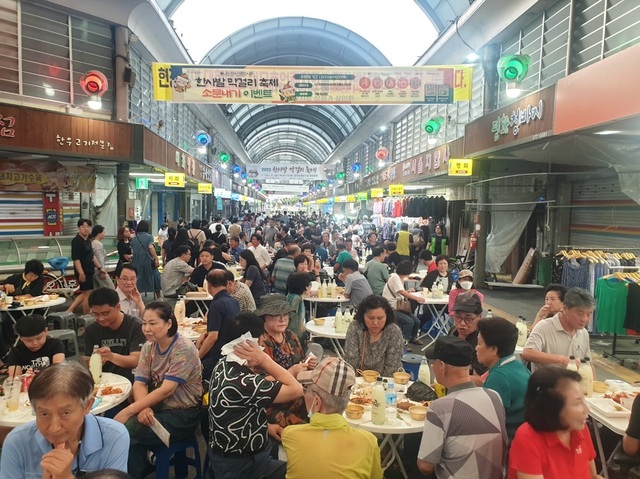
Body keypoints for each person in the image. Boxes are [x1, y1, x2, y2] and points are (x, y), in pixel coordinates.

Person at [208, 313, 303, 479]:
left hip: (228, 455)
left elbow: (239, 409)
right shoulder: (244, 381)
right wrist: (264, 360)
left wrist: (265, 427)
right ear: (252, 344)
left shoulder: (223, 365)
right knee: (301, 471)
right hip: (243, 465)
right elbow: (296, 389)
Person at [114, 302, 202, 478]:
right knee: (126, 430)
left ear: (168, 323)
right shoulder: (149, 346)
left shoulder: (182, 348)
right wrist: (142, 407)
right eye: (144, 323)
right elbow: (140, 382)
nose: (146, 329)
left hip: (184, 414)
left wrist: (130, 410)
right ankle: (136, 470)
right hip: (157, 409)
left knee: (126, 429)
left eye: (152, 323)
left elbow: (166, 390)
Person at [0, 362, 129, 478]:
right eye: (44, 414)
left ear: (87, 406)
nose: (54, 428)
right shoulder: (17, 443)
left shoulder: (113, 437)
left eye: (65, 413)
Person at [418, 336, 506, 479]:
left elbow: (425, 466)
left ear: (442, 366)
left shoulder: (441, 408)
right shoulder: (494, 396)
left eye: (433, 363)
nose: (432, 367)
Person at [282, 357, 383, 479]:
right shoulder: (368, 442)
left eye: (306, 390)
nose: (304, 394)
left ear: (317, 402)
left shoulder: (290, 435)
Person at [508, 367, 602, 479]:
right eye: (577, 403)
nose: (586, 409)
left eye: (584, 400)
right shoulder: (528, 438)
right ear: (553, 409)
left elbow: (593, 476)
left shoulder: (579, 428)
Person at [256, 295, 316, 446]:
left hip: (297, 396)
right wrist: (291, 372)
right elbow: (259, 383)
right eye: (276, 316)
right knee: (309, 433)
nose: (282, 319)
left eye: (285, 315)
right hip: (272, 405)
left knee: (325, 416)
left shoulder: (290, 336)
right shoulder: (260, 343)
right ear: (265, 317)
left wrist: (307, 364)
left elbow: (299, 363)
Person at [476, 317, 531, 442]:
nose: (476, 348)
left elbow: (487, 422)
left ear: (494, 349)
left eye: (479, 343)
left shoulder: (499, 376)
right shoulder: (519, 366)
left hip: (509, 445)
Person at [522, 287, 594, 372]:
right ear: (564, 308)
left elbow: (588, 364)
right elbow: (527, 353)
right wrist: (561, 360)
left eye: (588, 314)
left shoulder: (583, 333)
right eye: (580, 314)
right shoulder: (544, 327)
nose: (584, 319)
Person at [85, 288, 146, 382]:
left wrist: (111, 356)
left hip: (132, 379)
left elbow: (135, 361)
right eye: (95, 314)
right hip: (104, 379)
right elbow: (88, 362)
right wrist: (96, 361)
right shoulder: (92, 330)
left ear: (118, 307)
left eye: (105, 313)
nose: (100, 318)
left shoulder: (136, 326)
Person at [344, 295, 404, 377]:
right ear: (363, 316)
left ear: (387, 316)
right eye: (370, 318)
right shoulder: (355, 327)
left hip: (386, 382)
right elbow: (351, 362)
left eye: (380, 318)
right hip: (359, 381)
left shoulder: (393, 331)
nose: (375, 323)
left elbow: (392, 367)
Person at [197, 269, 241, 380]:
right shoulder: (234, 302)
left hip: (218, 358)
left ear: (209, 284)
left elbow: (213, 337)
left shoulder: (216, 305)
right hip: (232, 354)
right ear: (227, 283)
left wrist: (197, 359)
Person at [449, 290, 489, 383]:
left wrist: (450, 376)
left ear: (480, 317)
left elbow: (479, 380)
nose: (462, 324)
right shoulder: (453, 331)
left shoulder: (483, 342)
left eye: (468, 319)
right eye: (458, 317)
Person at [382, 260, 424, 345]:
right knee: (409, 321)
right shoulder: (395, 277)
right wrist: (416, 298)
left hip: (398, 306)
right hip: (391, 308)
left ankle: (412, 337)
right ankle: (404, 341)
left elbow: (398, 291)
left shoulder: (398, 277)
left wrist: (407, 291)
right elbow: (401, 291)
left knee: (416, 321)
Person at [68, 218, 104, 314]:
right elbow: (76, 259)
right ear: (78, 228)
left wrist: (100, 268)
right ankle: (86, 316)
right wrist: (81, 273)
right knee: (88, 294)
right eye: (83, 227)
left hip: (90, 270)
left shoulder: (88, 240)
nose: (86, 229)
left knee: (87, 293)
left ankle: (71, 310)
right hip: (83, 271)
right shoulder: (76, 241)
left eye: (88, 227)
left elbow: (92, 256)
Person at [130, 220, 161, 299]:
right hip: (147, 261)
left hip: (136, 262)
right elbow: (151, 247)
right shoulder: (149, 237)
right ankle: (159, 297)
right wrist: (156, 259)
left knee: (138, 278)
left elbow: (132, 251)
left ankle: (136, 296)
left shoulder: (134, 238)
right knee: (155, 276)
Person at [286, 272, 311, 342]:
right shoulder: (296, 299)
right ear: (305, 287)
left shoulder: (291, 295)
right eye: (310, 285)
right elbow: (292, 319)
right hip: (294, 336)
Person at [91, 225, 114, 290]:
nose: (105, 234)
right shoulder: (98, 244)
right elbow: (99, 258)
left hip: (94, 271)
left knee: (97, 290)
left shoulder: (92, 243)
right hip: (99, 271)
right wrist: (102, 270)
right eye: (103, 232)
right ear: (99, 234)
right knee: (110, 289)